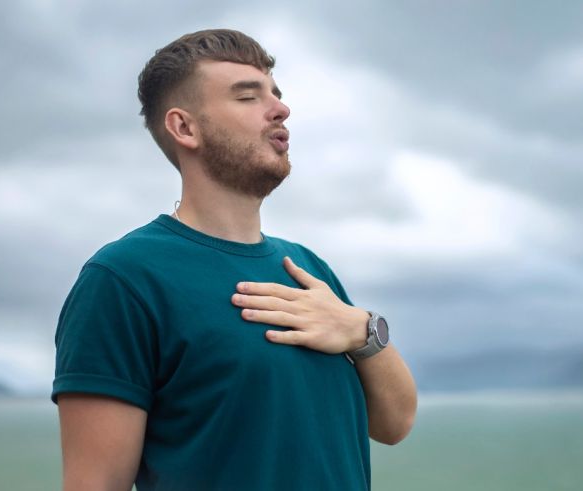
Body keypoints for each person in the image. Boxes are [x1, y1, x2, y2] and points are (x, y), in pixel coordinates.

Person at [52, 29, 417, 491]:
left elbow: (395, 423)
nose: (280, 108)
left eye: (276, 94)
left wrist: (363, 330)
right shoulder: (124, 280)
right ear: (185, 127)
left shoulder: (307, 269)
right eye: (248, 97)